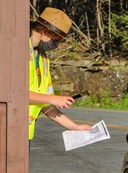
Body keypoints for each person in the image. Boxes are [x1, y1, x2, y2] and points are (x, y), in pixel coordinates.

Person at [29, 7, 92, 141]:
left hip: (22, 132)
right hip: (6, 129)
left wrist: (74, 127)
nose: (57, 45)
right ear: (46, 32)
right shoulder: (14, 50)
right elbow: (13, 94)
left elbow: (45, 103)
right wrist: (53, 99)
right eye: (57, 40)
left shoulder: (42, 59)